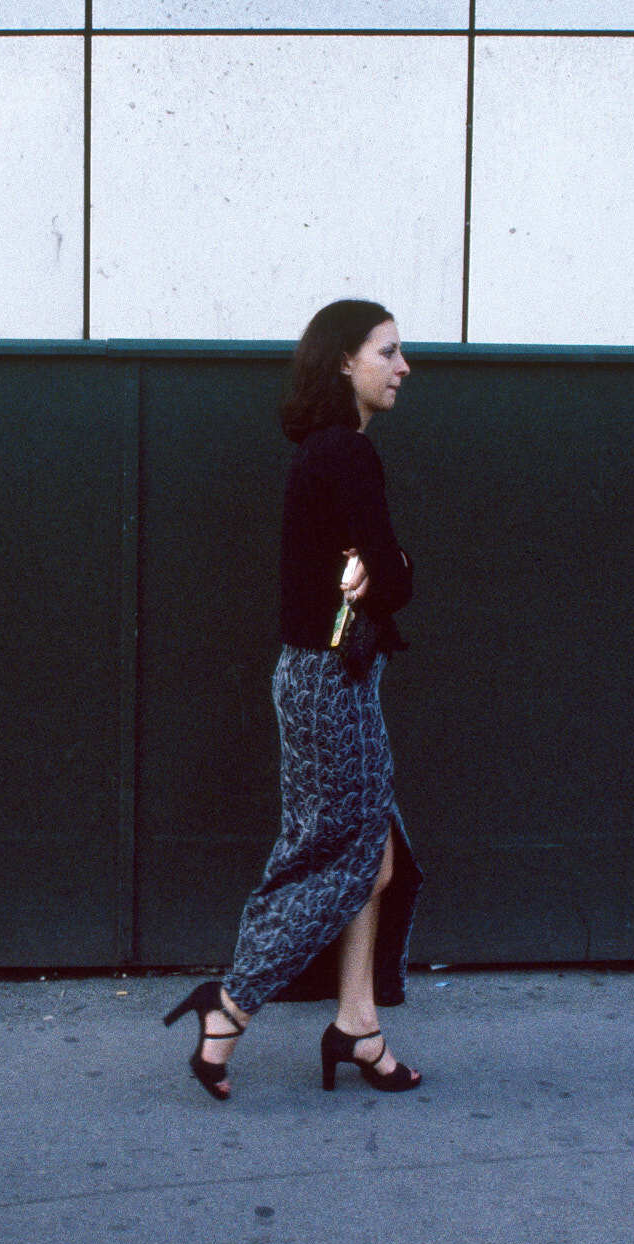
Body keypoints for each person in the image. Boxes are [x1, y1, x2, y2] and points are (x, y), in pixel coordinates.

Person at [164, 298, 425, 1101]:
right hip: (330, 682)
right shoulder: (344, 453)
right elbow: (394, 578)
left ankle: (359, 1026)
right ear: (344, 361)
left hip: (325, 678)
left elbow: (370, 576)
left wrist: (380, 573)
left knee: (369, 855)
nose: (402, 367)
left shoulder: (324, 452)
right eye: (387, 352)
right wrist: (396, 567)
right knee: (342, 857)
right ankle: (231, 1007)